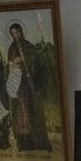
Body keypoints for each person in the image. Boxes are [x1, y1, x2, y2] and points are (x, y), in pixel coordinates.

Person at [6, 22, 52, 151]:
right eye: (13, 33)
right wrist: (14, 63)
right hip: (19, 86)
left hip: (30, 83)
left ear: (21, 31)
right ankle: (24, 143)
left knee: (33, 112)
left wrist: (25, 59)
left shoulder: (29, 46)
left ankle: (37, 142)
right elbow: (10, 65)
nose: (16, 35)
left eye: (17, 32)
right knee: (22, 114)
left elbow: (35, 62)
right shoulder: (12, 48)